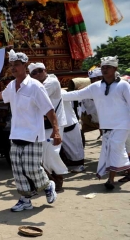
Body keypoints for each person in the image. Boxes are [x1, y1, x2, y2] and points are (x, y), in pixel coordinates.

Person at [0, 50, 59, 212]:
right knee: (17, 169)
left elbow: (49, 110)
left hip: (32, 134)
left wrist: (56, 130)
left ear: (24, 66)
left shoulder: (35, 87)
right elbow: (2, 95)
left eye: (16, 65)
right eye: (11, 65)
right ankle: (25, 199)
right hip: (16, 133)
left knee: (31, 168)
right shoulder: (12, 85)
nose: (13, 68)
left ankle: (48, 184)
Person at [63, 56, 130, 189]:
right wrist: (53, 94)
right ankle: (113, 178)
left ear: (115, 69)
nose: (104, 70)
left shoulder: (123, 85)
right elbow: (77, 95)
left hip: (122, 124)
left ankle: (111, 180)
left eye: (108, 67)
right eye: (103, 67)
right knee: (109, 150)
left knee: (116, 148)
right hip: (106, 125)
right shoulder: (95, 87)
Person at [28, 62, 68, 192]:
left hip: (55, 123)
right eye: (34, 72)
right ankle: (50, 179)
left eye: (40, 70)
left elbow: (35, 97)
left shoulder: (52, 82)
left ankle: (58, 176)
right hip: (42, 124)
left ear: (45, 70)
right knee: (43, 153)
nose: (38, 74)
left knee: (52, 151)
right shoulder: (34, 85)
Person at [60, 90, 85, 173]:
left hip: (69, 123)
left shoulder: (62, 93)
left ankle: (79, 165)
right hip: (58, 124)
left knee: (75, 147)